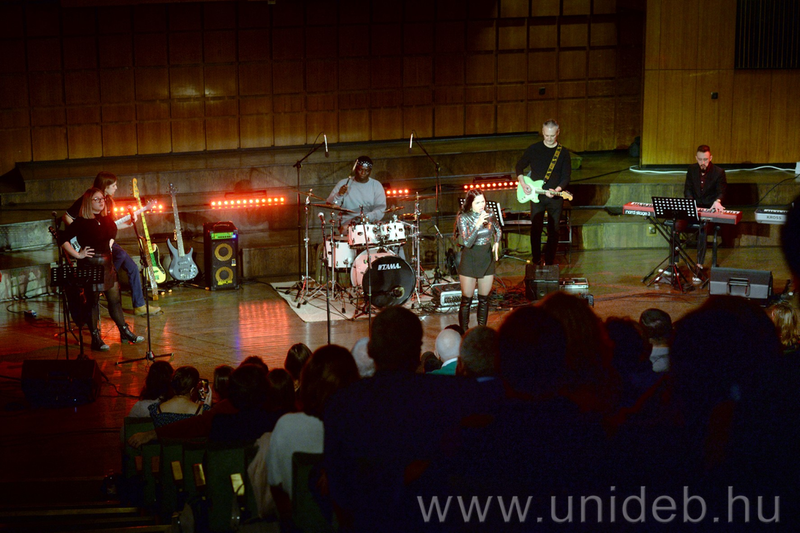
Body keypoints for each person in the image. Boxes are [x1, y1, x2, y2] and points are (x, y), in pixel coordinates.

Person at [64, 172, 161, 316]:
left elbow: (110, 227)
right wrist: (82, 232)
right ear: (106, 186)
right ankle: (104, 280)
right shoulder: (89, 198)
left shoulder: (108, 202)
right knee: (120, 256)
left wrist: (129, 223)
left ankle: (139, 305)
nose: (116, 188)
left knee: (133, 267)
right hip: (95, 244)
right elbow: (67, 217)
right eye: (114, 185)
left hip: (105, 241)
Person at [58, 188, 145, 351]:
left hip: (107, 265)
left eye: (102, 199)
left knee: (115, 300)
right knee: (92, 303)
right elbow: (62, 239)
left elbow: (113, 232)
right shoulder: (81, 222)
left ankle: (125, 331)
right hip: (91, 264)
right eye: (96, 199)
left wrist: (112, 244)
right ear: (88, 202)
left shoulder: (106, 220)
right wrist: (78, 255)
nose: (101, 202)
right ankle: (96, 338)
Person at [515, 119, 572, 266]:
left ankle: (549, 261)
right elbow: (519, 167)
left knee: (554, 230)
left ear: (558, 133)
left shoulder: (563, 153)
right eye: (546, 135)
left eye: (552, 135)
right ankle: (536, 260)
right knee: (536, 228)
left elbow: (566, 176)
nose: (549, 138)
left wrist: (557, 190)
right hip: (536, 196)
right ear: (542, 132)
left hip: (554, 197)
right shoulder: (534, 149)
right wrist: (523, 184)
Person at [454, 189, 501, 330]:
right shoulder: (463, 217)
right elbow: (467, 242)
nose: (482, 205)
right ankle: (464, 332)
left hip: (486, 257)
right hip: (470, 257)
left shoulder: (490, 214)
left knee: (484, 299)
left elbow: (498, 229)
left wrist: (496, 242)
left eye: (483, 201)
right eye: (478, 202)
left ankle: (481, 332)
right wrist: (478, 224)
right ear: (470, 204)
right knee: (466, 300)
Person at [684, 144, 727, 271]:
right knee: (675, 224)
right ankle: (673, 264)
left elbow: (722, 191)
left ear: (710, 158)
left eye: (705, 159)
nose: (703, 163)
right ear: (696, 158)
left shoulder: (719, 172)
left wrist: (717, 201)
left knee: (703, 227)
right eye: (700, 159)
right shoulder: (691, 170)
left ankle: (699, 264)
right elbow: (687, 189)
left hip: (709, 209)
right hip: (694, 208)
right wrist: (691, 202)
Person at [326, 155, 386, 231]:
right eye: (360, 169)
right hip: (348, 223)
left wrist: (367, 217)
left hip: (369, 222)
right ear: (355, 169)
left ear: (370, 171)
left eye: (366, 170)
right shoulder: (343, 183)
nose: (363, 173)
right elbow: (330, 204)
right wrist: (339, 194)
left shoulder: (376, 185)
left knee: (383, 230)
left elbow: (381, 208)